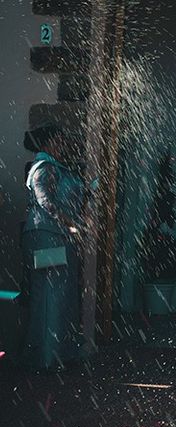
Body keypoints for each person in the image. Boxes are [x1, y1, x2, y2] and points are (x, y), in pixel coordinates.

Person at [21, 125, 86, 371]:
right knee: (51, 296)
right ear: (49, 142)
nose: (63, 143)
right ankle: (48, 358)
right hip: (47, 236)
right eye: (60, 138)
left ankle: (51, 355)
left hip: (52, 237)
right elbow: (45, 201)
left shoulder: (53, 167)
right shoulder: (43, 168)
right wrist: (71, 225)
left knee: (54, 295)